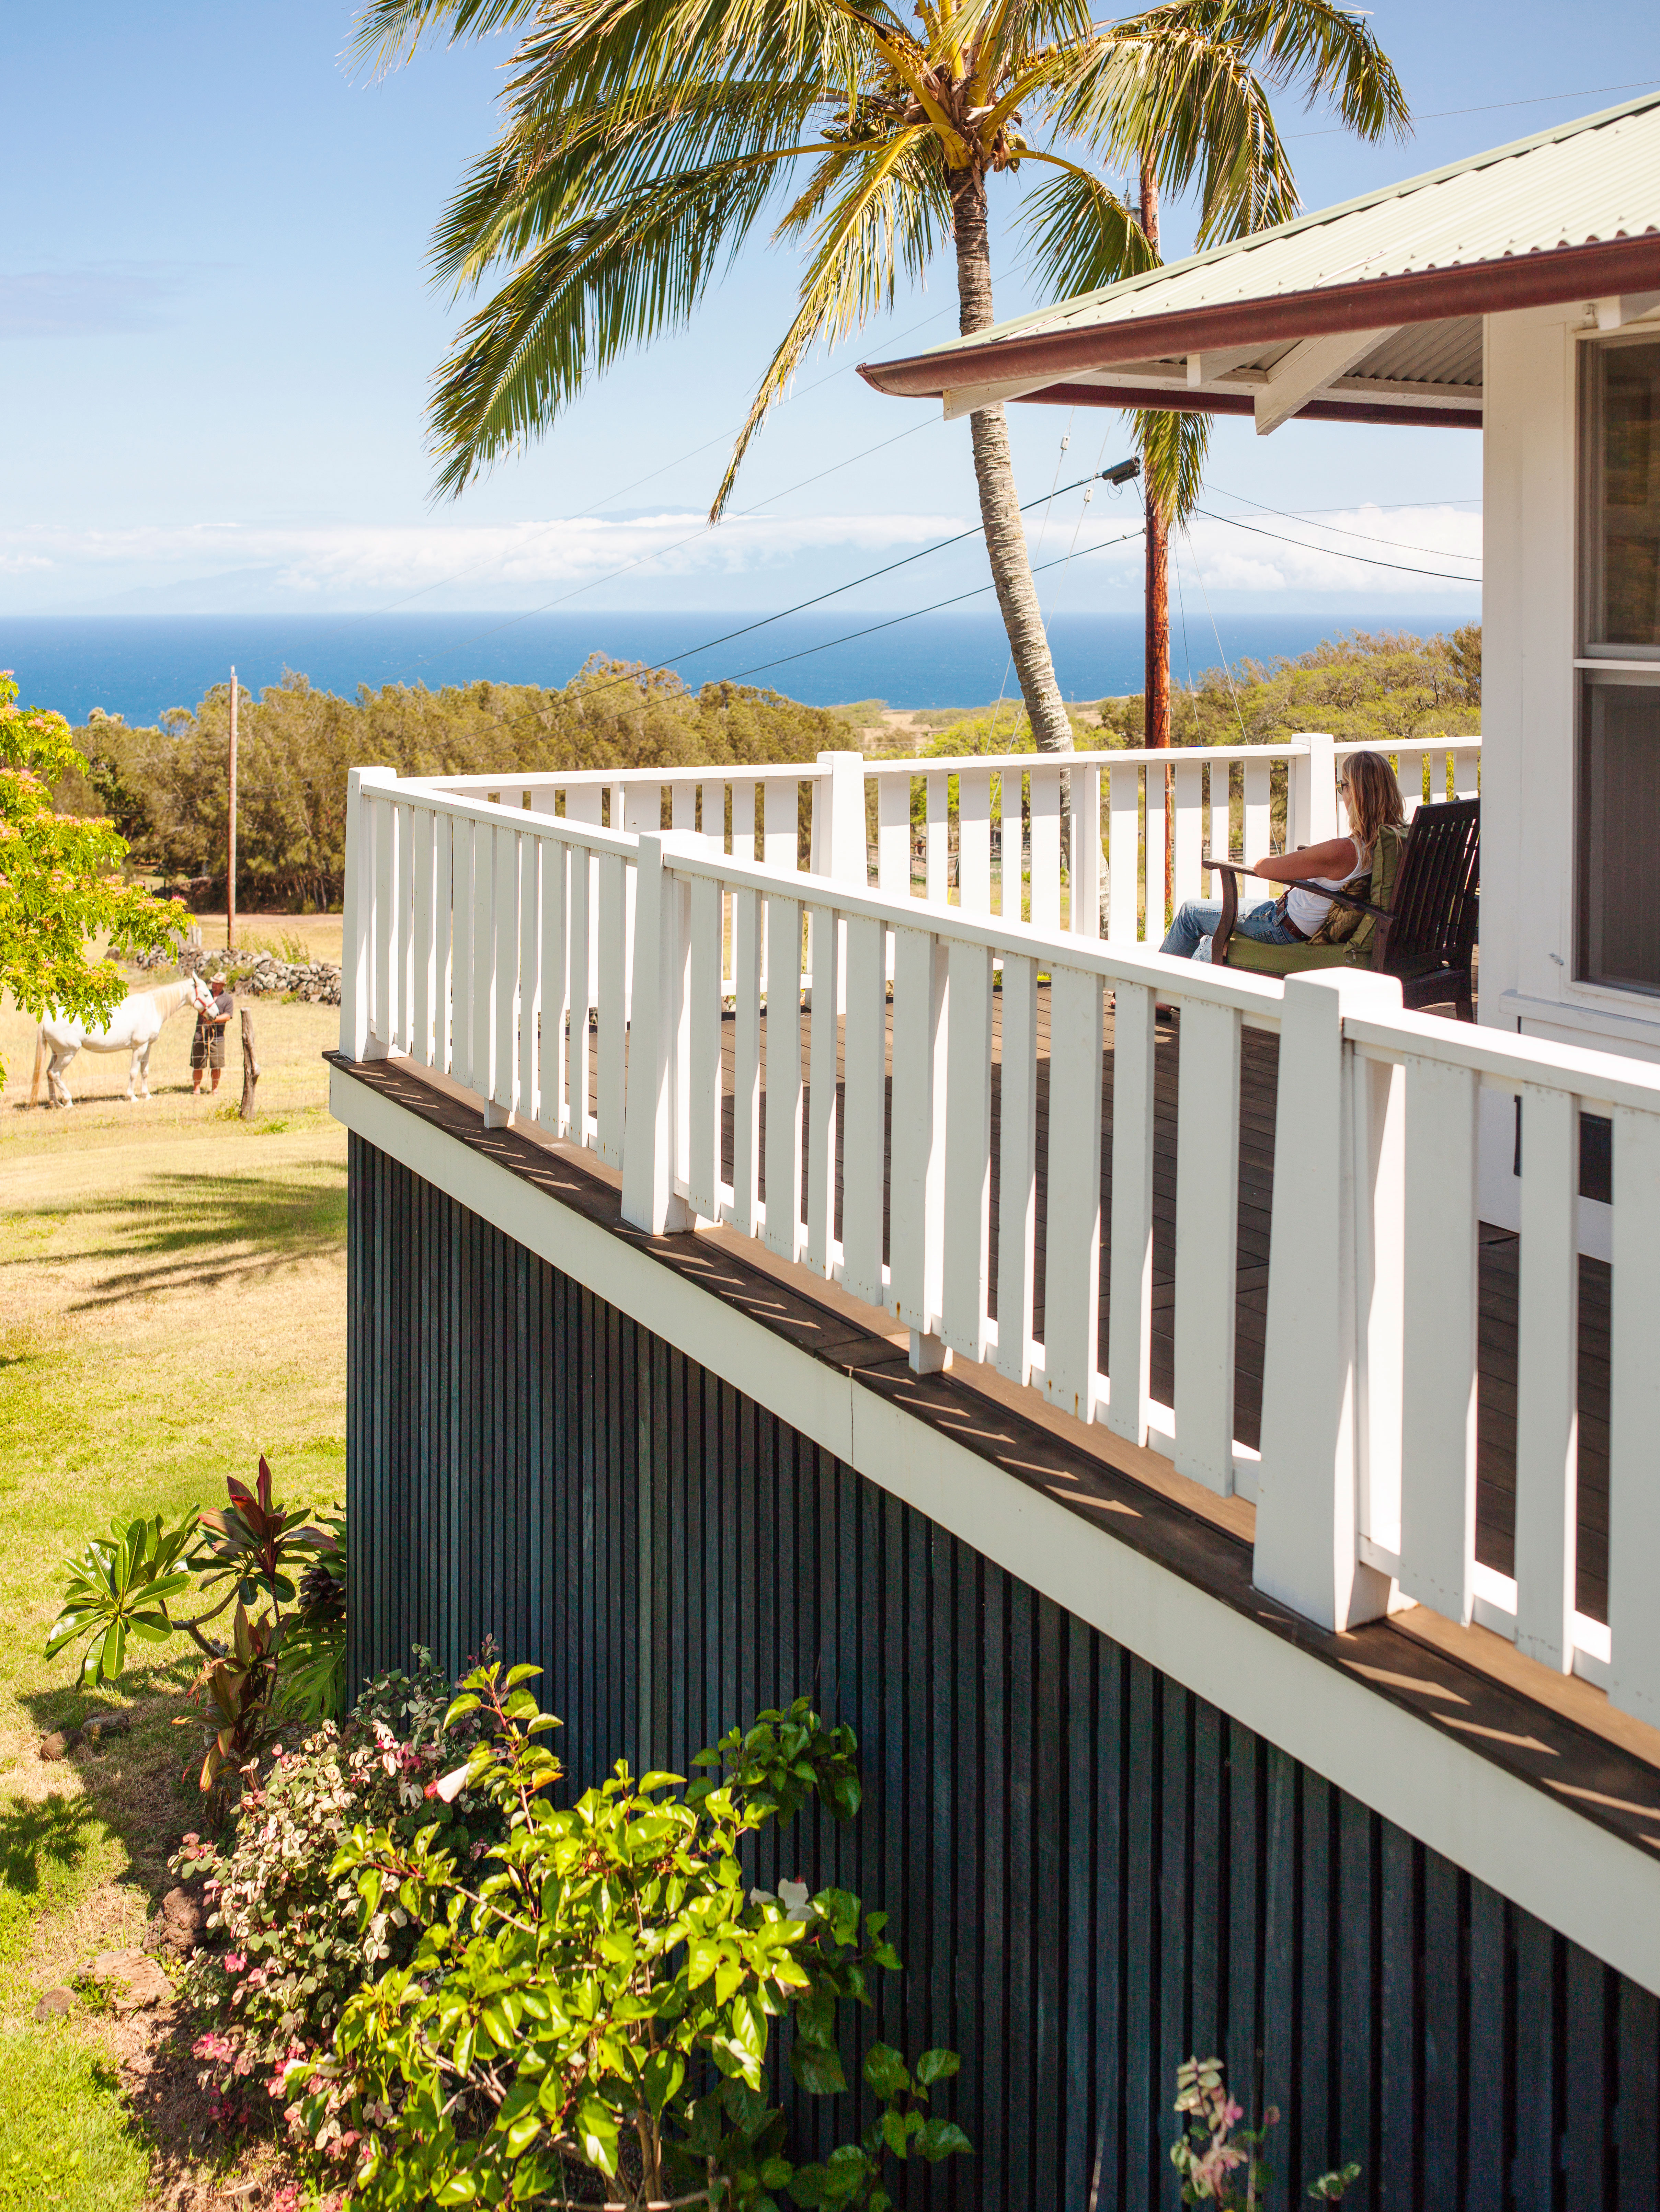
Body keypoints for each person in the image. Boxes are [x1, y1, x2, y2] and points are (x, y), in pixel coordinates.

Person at [1159, 750, 1406, 961]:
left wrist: (1304, 856)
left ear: (1358, 793)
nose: (1342, 794)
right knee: (1208, 941)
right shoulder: (1394, 840)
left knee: (1190, 912)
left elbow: (1264, 869)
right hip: (1295, 920)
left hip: (1281, 925)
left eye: (1344, 786)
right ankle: (1179, 990)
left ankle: (1154, 992)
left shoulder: (1343, 850)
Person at [191, 969, 235, 1096]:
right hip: (201, 1034)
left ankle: (215, 1089)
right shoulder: (206, 994)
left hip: (218, 1036)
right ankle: (196, 1090)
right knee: (198, 1063)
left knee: (216, 1065)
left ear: (223, 985)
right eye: (213, 983)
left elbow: (228, 1016)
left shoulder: (227, 999)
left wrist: (214, 1020)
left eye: (217, 983)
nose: (214, 985)